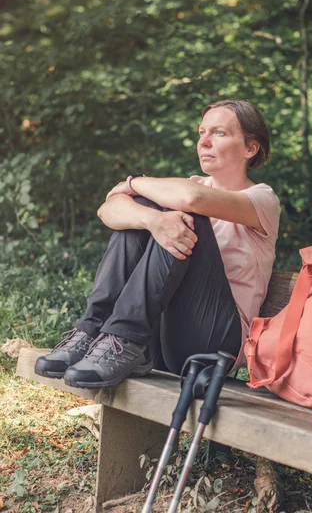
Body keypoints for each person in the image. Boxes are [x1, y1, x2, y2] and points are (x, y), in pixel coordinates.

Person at [35, 99, 280, 388]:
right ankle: (93, 329)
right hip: (156, 337)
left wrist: (133, 182)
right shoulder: (189, 186)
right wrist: (149, 219)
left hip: (214, 345)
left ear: (250, 149)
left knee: (181, 214)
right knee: (146, 209)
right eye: (201, 133)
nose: (204, 142)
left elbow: (192, 200)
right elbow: (107, 211)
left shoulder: (262, 199)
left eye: (219, 133)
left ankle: (124, 336)